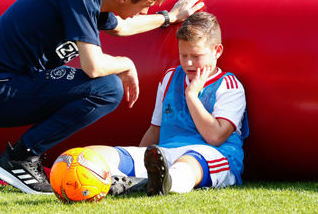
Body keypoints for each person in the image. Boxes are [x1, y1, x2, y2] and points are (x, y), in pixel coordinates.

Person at [0, 0, 208, 194]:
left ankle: (23, 156)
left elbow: (122, 27)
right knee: (108, 89)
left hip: (11, 84)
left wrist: (171, 17)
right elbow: (93, 67)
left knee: (107, 86)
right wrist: (126, 62)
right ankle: (21, 158)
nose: (144, 12)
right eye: (144, 6)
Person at [87, 12, 249, 196]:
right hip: (163, 157)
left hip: (211, 155)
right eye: (183, 55)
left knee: (188, 164)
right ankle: (117, 179)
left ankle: (165, 183)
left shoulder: (229, 86)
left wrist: (192, 96)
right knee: (92, 155)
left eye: (196, 56)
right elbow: (155, 129)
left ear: (217, 51)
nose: (188, 63)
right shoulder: (170, 77)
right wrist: (139, 159)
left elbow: (215, 137)